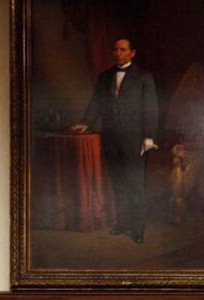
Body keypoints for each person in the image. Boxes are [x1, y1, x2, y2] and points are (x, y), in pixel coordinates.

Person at [70, 37, 159, 244]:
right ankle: (122, 224)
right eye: (115, 49)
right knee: (118, 182)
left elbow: (151, 108)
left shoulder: (144, 77)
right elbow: (96, 104)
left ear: (132, 52)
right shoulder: (104, 77)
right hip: (110, 138)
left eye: (123, 49)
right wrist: (86, 123)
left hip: (134, 139)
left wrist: (148, 137)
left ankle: (137, 228)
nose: (118, 53)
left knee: (135, 184)